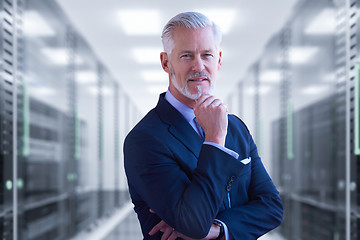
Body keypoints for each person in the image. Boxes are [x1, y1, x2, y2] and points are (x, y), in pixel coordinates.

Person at [124, 12, 283, 240]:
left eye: (206, 55)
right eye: (186, 55)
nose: (199, 66)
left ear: (218, 60)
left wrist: (217, 228)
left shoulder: (236, 127)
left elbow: (272, 208)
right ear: (166, 62)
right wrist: (215, 139)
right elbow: (194, 224)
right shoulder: (145, 139)